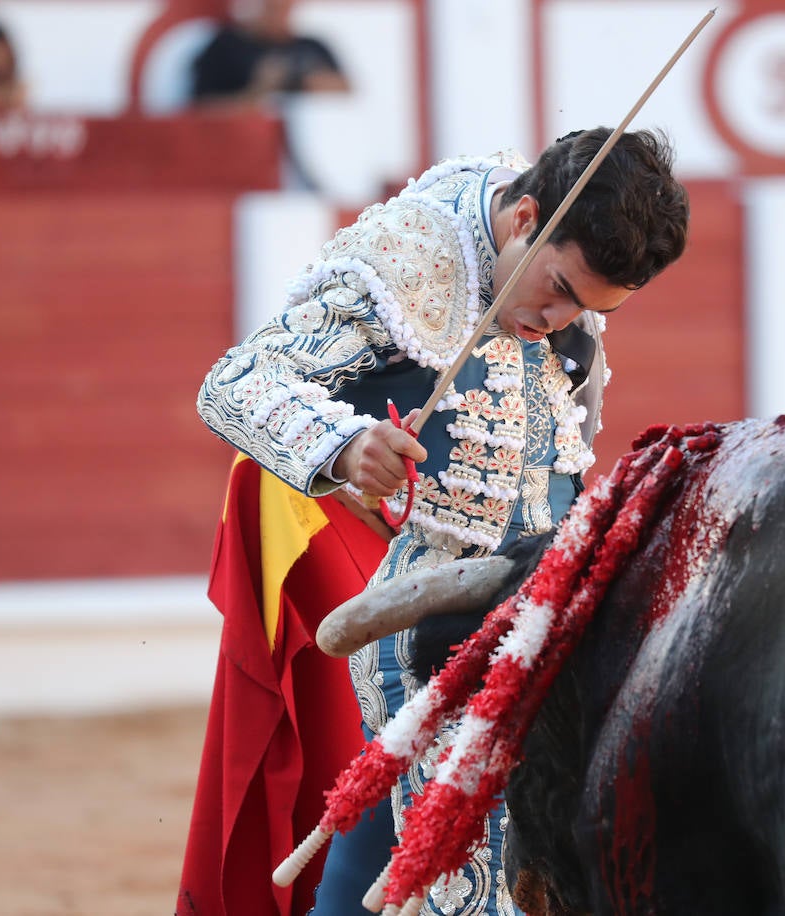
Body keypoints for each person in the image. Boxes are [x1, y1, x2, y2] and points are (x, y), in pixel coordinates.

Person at [190, 128, 689, 915]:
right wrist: (346, 445)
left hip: (542, 614)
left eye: (588, 309)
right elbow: (237, 383)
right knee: (470, 877)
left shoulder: (557, 278)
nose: (560, 321)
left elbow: (562, 458)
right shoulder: (408, 255)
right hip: (436, 626)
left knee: (388, 852)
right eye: (557, 289)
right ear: (525, 216)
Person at [191, 0, 349, 111]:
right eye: (272, 6)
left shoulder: (312, 46)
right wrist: (258, 91)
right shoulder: (226, 46)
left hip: (309, 149)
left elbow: (349, 92)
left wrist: (312, 85)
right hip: (246, 146)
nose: (279, 13)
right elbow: (201, 107)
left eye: (285, 6)